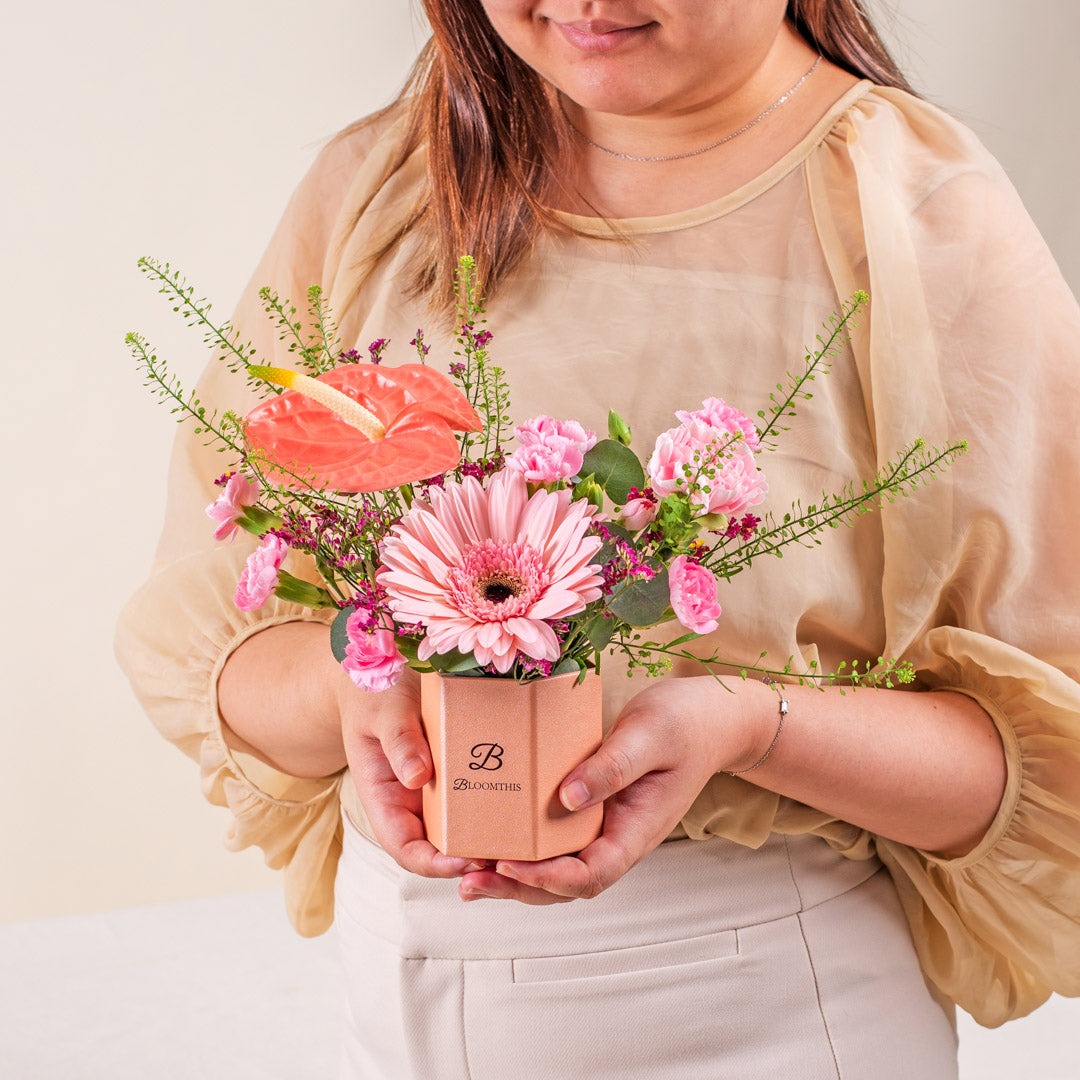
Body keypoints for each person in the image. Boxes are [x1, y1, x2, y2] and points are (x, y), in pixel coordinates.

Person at [116, 1, 1080, 1076]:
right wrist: (354, 685)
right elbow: (211, 636)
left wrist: (751, 726)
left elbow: (1048, 769)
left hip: (758, 1025)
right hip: (400, 1013)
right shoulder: (384, 185)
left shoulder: (922, 219)